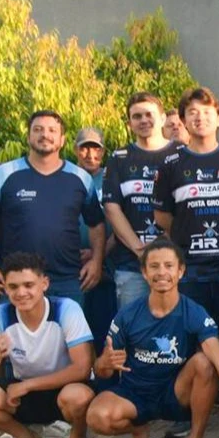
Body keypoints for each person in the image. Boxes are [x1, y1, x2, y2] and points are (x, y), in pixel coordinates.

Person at [86, 238, 219, 438]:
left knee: (205, 362)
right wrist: (105, 362)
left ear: (180, 271)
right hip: (135, 393)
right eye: (154, 266)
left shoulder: (193, 312)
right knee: (97, 417)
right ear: (144, 272)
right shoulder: (128, 314)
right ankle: (139, 430)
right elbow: (100, 371)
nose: (162, 272)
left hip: (176, 392)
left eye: (168, 266)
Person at [0, 252, 96, 438]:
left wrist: (27, 385)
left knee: (77, 397)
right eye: (13, 287)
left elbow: (82, 368)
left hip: (63, 388)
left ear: (44, 284)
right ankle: (25, 437)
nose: (21, 293)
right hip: (23, 394)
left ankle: (78, 437)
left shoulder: (66, 308)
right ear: (5, 288)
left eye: (29, 285)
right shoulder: (0, 314)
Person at [153, 87, 219, 330]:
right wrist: (186, 228)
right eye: (192, 112)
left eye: (206, 111)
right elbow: (162, 216)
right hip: (190, 269)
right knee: (195, 339)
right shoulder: (171, 164)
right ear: (183, 121)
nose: (200, 117)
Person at [0, 110, 105, 306]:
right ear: (28, 137)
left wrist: (96, 261)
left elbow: (96, 224)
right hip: (17, 281)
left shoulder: (81, 178)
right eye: (38, 129)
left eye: (52, 130)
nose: (45, 135)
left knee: (69, 338)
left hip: (67, 281)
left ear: (61, 140)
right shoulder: (4, 174)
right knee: (14, 337)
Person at [103, 92, 174, 309]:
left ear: (162, 118)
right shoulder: (119, 158)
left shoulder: (181, 154)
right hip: (130, 264)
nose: (143, 120)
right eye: (137, 116)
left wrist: (164, 242)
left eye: (148, 114)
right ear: (129, 123)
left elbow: (185, 207)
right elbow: (112, 208)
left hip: (173, 263)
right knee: (131, 332)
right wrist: (139, 250)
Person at [75, 128, 118, 346]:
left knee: (103, 329)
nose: (90, 154)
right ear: (75, 150)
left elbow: (122, 223)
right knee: (76, 330)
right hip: (72, 267)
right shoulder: (67, 176)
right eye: (85, 148)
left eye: (96, 148)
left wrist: (98, 256)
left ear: (103, 152)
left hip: (107, 267)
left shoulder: (112, 178)